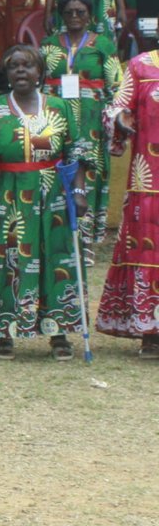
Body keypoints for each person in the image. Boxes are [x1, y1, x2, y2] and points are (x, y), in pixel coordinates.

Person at [0, 44, 89, 360]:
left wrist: (79, 194)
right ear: (7, 73)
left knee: (56, 263)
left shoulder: (60, 108)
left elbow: (77, 153)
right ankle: (2, 332)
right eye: (14, 66)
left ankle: (58, 333)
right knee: (4, 263)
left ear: (40, 72)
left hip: (52, 198)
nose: (21, 71)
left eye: (27, 65)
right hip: (4, 198)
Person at [41, 0, 121, 246]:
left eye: (80, 12)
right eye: (69, 12)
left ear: (90, 15)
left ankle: (85, 236)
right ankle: (55, 232)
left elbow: (117, 85)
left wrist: (115, 119)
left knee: (89, 170)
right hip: (54, 116)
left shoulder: (103, 44)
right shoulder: (49, 44)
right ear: (61, 16)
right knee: (53, 167)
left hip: (91, 118)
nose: (74, 17)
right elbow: (37, 81)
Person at [99, 47, 159, 356]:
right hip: (149, 179)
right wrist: (119, 119)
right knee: (148, 250)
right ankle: (151, 332)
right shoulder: (140, 66)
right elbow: (115, 109)